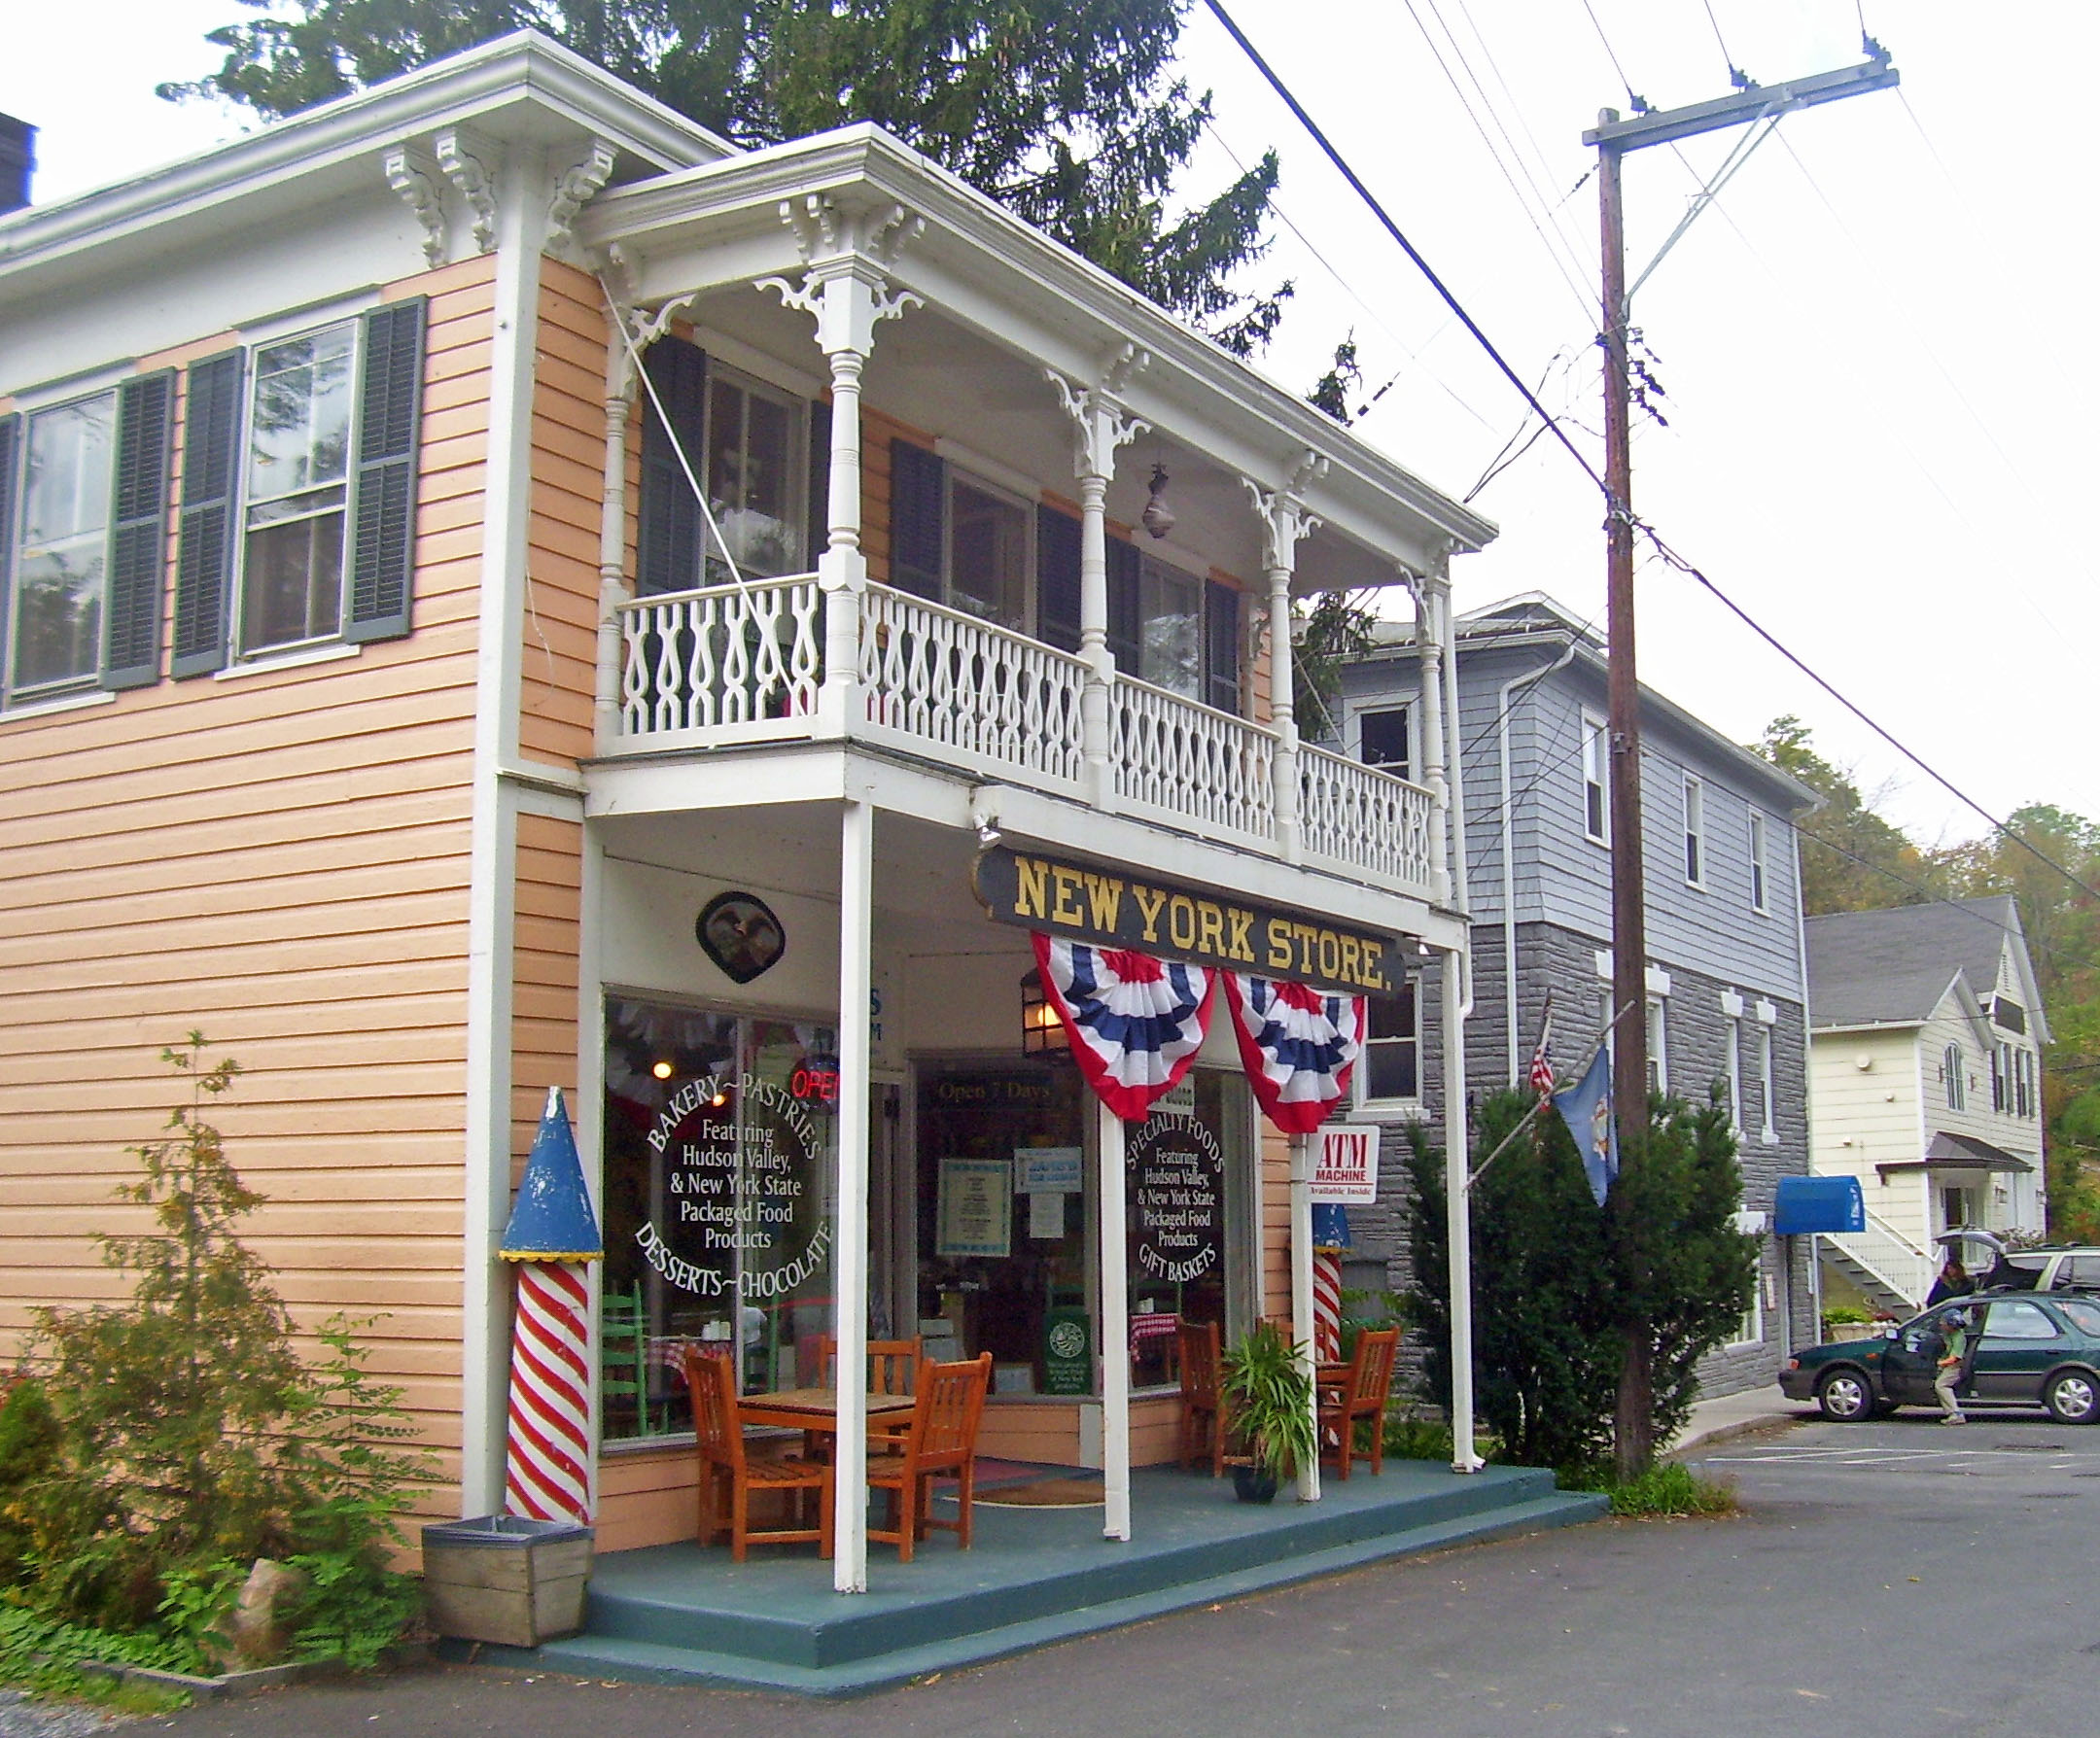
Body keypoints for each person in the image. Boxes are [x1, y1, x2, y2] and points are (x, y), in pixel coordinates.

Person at [1934, 1306, 1975, 1425]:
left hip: (1955, 1366)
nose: (1941, 1324)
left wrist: (1940, 1363)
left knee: (1941, 1385)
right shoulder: (1948, 1333)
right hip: (1950, 1364)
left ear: (1951, 1325)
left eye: (1944, 1323)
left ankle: (1956, 1413)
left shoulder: (1958, 1337)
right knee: (1939, 1386)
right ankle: (1950, 1413)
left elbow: (1955, 1358)